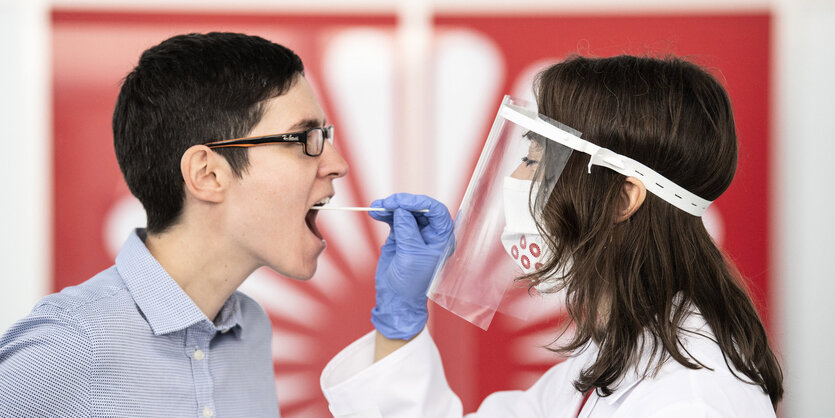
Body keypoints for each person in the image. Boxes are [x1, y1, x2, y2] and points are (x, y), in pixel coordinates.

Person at [320, 55, 783, 417]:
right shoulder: (614, 359)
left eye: (538, 160)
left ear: (622, 199)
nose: (517, 181)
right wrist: (398, 322)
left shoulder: (688, 404)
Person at [0, 32, 348, 416]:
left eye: (324, 136)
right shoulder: (68, 346)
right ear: (208, 174)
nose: (337, 164)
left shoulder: (252, 329)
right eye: (304, 138)